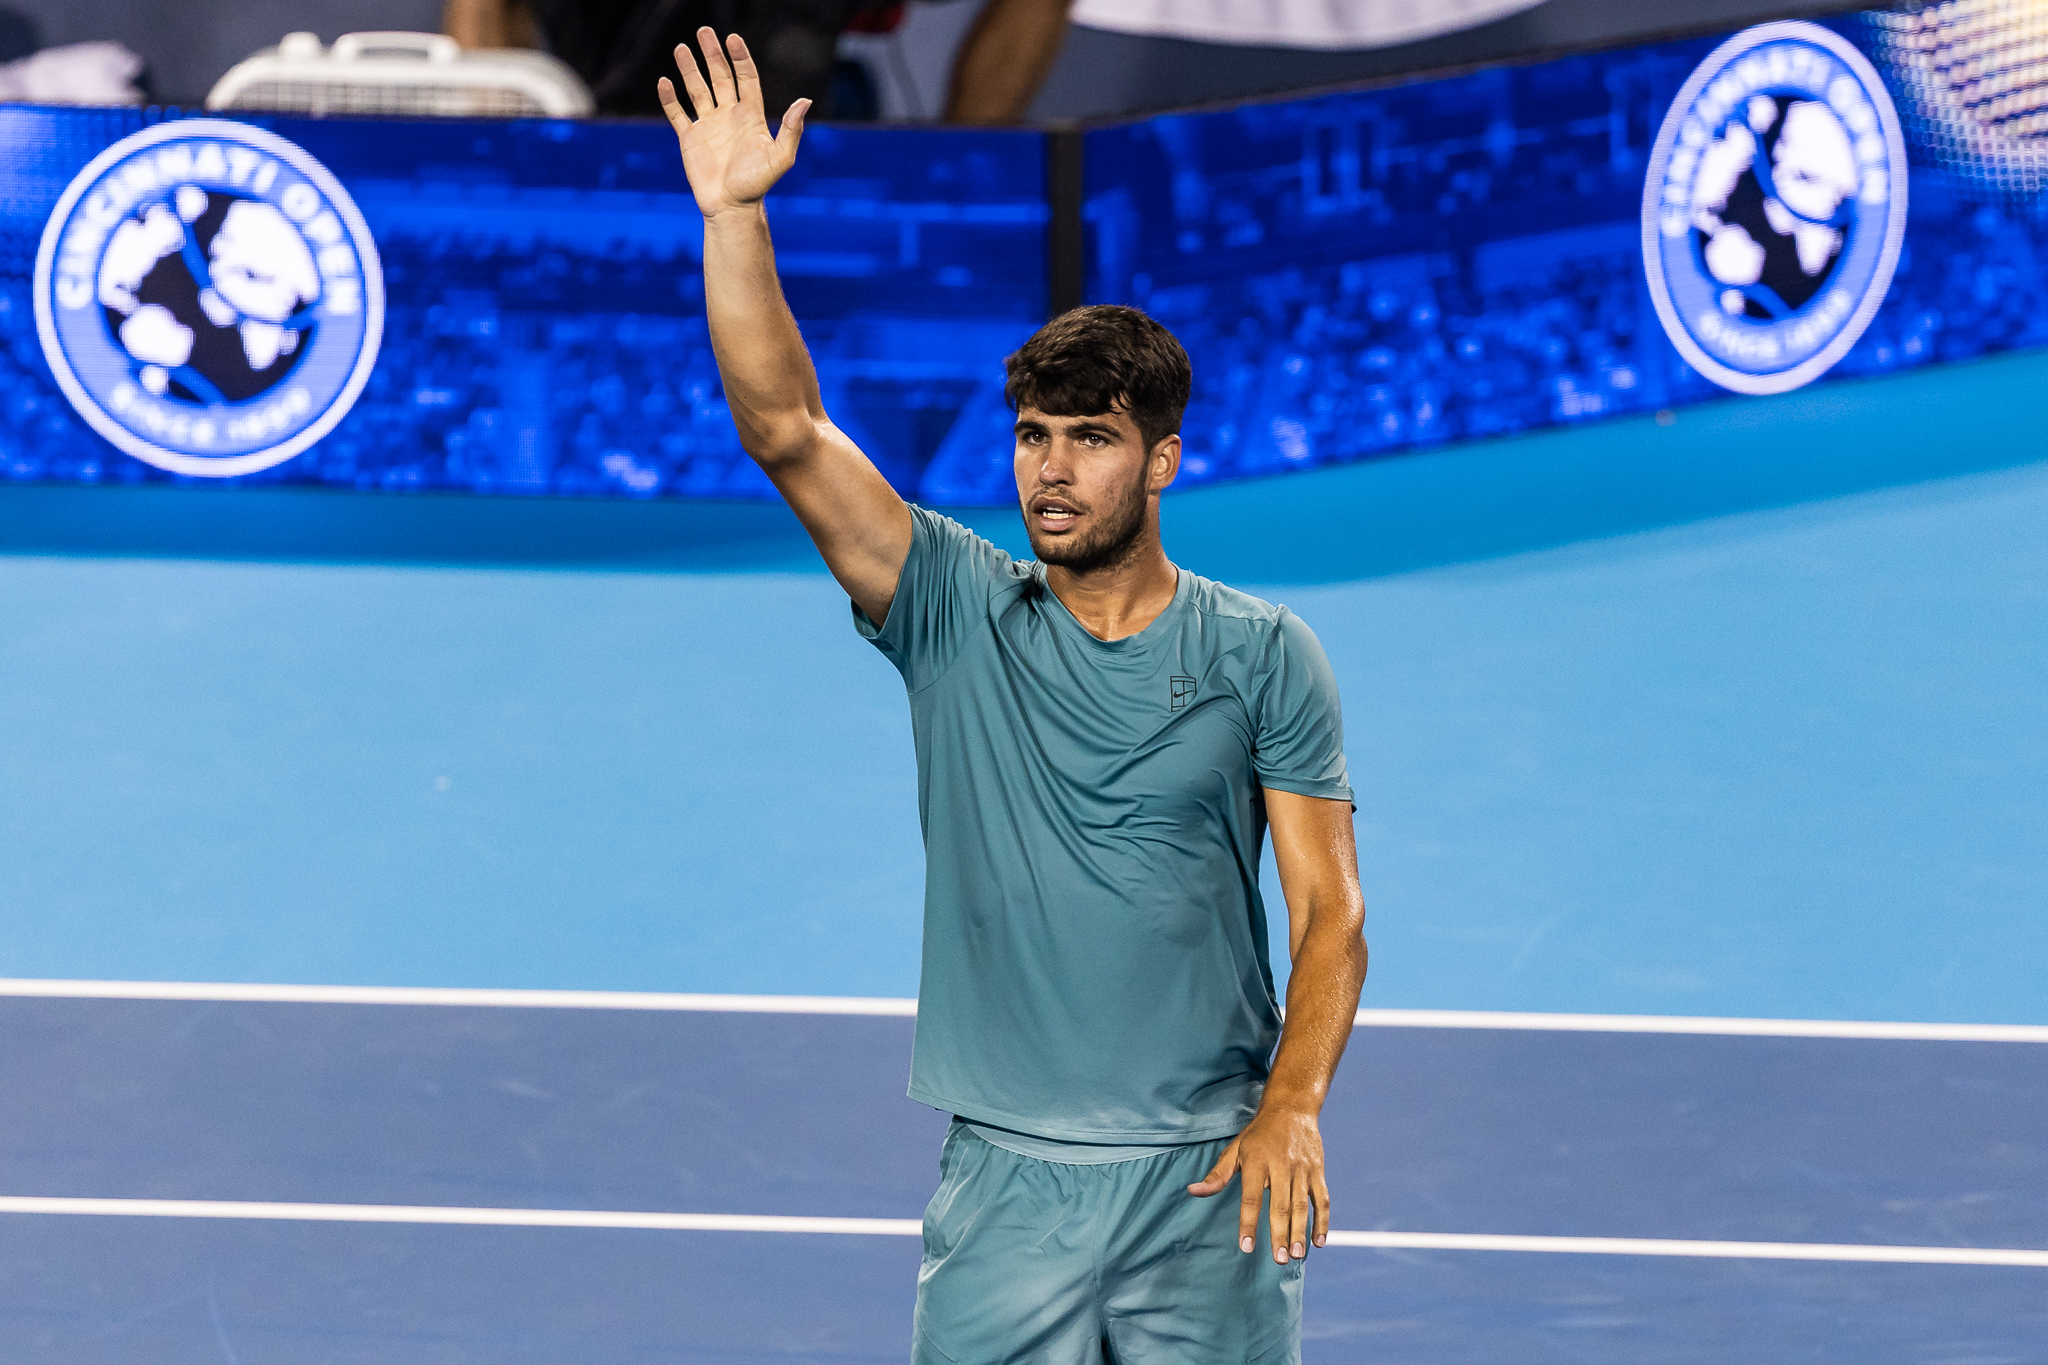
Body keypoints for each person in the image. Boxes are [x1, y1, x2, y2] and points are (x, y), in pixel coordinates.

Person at [659, 28, 1368, 1362]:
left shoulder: (1267, 652)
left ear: (1159, 461)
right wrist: (736, 215)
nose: (1052, 469)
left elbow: (1330, 910)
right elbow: (786, 429)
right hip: (1009, 1188)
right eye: (1036, 437)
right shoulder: (951, 606)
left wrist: (1296, 1103)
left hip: (1208, 1176)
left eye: (1090, 439)